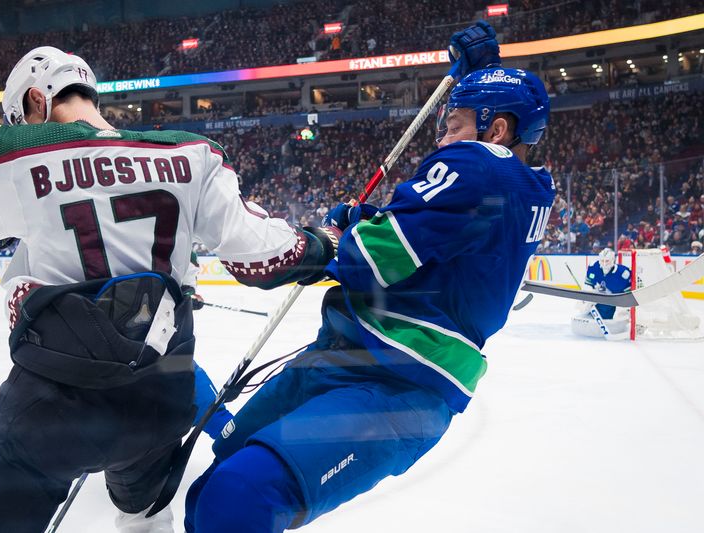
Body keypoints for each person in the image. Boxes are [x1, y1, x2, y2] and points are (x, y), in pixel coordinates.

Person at [0, 47, 340, 533]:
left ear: (37, 99)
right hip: (160, 402)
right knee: (144, 515)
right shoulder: (191, 153)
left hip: (55, 405)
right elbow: (263, 255)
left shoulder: (21, 158)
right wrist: (324, 245)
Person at [184, 22, 555, 532]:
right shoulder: (511, 181)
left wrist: (323, 241)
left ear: (496, 132)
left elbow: (367, 261)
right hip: (347, 352)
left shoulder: (480, 166)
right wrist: (364, 221)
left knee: (239, 497)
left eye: (454, 125)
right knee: (223, 467)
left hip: (400, 382)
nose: (442, 139)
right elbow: (424, 242)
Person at [571, 247, 632, 339]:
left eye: (607, 261)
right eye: (602, 261)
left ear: (612, 260)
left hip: (613, 300)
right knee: (582, 305)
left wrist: (625, 311)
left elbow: (629, 296)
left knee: (613, 314)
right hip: (597, 296)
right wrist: (587, 299)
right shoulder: (594, 267)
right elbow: (588, 285)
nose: (604, 264)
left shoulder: (623, 274)